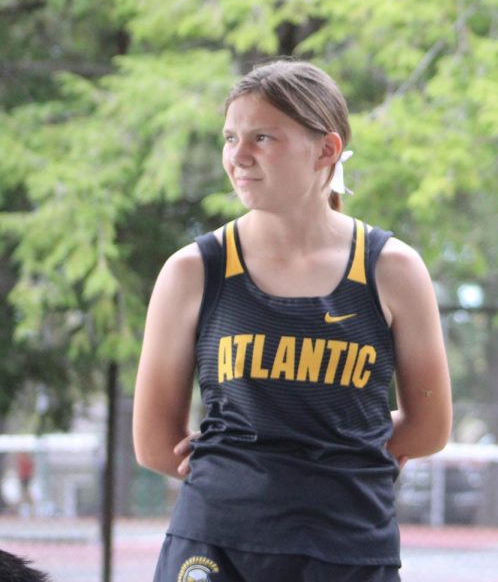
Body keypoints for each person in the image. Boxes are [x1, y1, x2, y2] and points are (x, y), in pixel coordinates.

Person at [133, 59, 452, 582]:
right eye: (230, 137)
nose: (238, 156)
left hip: (349, 549)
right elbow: (153, 442)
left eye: (262, 137)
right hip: (217, 546)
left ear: (326, 149)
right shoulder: (194, 271)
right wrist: (245, 469)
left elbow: (429, 428)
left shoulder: (391, 269)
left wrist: (329, 452)